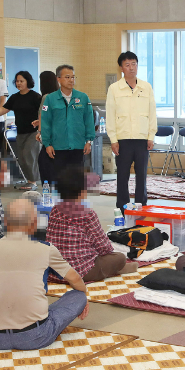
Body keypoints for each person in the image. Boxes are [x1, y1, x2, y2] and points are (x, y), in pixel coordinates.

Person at [0, 198, 89, 350]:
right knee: (78, 296)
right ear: (34, 224)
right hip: (35, 336)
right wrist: (83, 298)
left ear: (5, 222)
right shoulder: (45, 249)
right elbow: (74, 278)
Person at [47, 167, 137, 282]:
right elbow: (104, 248)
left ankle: (112, 269)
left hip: (55, 271)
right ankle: (116, 268)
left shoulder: (55, 210)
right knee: (120, 258)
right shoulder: (87, 214)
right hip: (80, 272)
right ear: (81, 191)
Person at [105, 51, 157, 212]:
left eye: (134, 64)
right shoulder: (114, 88)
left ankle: (141, 206)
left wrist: (151, 135)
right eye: (127, 65)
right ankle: (122, 207)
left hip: (142, 138)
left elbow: (152, 113)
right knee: (122, 175)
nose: (131, 67)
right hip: (122, 139)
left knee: (141, 176)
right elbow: (111, 115)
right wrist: (113, 139)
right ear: (121, 68)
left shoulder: (146, 87)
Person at [0, 71, 42, 191]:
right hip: (20, 132)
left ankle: (33, 182)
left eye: (22, 81)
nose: (19, 83)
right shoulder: (15, 97)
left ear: (28, 82)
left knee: (28, 155)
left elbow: (43, 113)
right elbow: (4, 109)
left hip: (34, 132)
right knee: (22, 157)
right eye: (17, 81)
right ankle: (29, 180)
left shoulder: (35, 97)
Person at [41, 65, 95, 170]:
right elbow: (45, 122)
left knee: (76, 180)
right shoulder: (50, 99)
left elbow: (89, 121)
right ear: (58, 79)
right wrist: (47, 144)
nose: (71, 80)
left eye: (73, 77)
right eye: (67, 77)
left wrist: (89, 141)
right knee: (60, 180)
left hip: (78, 145)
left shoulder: (82, 97)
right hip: (58, 147)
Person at [36, 71, 59, 184]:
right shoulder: (59, 95)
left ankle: (48, 190)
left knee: (44, 162)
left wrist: (40, 132)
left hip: (49, 136)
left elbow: (43, 116)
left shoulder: (46, 97)